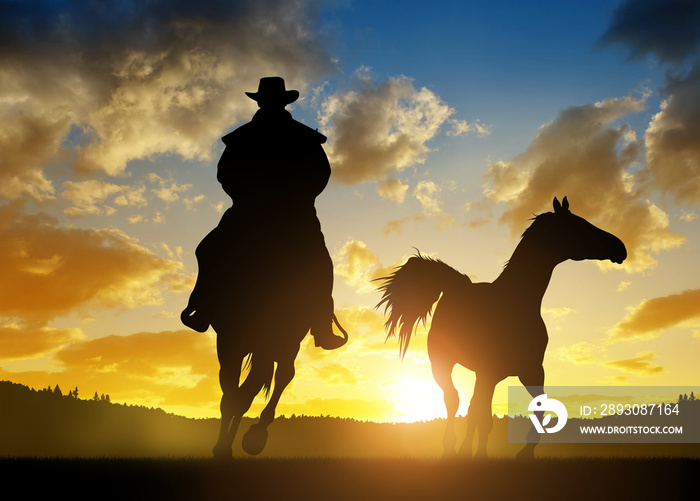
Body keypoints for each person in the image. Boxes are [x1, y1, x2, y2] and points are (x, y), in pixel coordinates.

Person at [181, 77, 347, 350]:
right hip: (288, 216)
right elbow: (321, 174)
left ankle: (203, 309)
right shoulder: (298, 137)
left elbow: (225, 175)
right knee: (318, 263)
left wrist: (251, 194)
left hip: (258, 214)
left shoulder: (246, 137)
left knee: (211, 250)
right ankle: (321, 327)